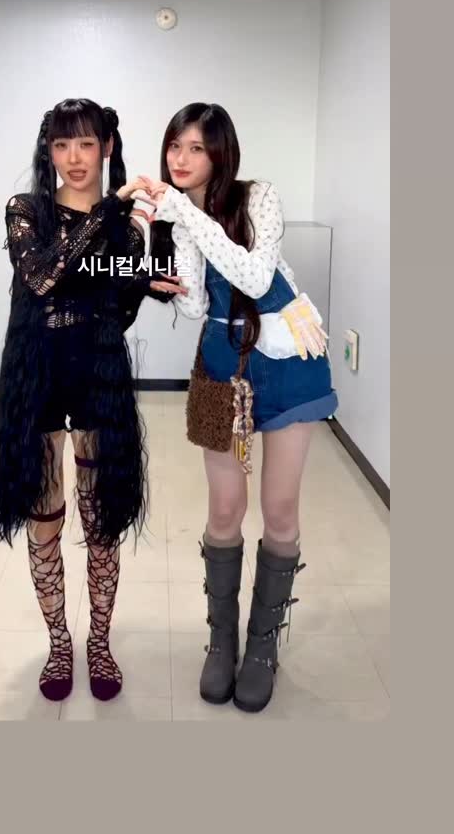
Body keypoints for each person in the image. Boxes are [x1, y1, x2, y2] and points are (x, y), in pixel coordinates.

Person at [0, 98, 184, 703]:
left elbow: (120, 310)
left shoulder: (124, 226)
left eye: (86, 144)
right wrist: (107, 211)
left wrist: (153, 248)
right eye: (61, 144)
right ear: (48, 151)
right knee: (44, 522)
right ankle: (59, 645)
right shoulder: (26, 211)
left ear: (107, 147)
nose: (74, 158)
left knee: (101, 522)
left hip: (98, 374)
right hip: (35, 378)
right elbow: (43, 277)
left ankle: (99, 641)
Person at [145, 102, 338, 713]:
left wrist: (184, 213)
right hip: (221, 365)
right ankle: (221, 641)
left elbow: (255, 277)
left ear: (220, 153)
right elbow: (199, 307)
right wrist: (166, 278)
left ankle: (261, 647)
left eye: (195, 148)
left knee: (279, 509)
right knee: (225, 508)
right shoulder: (180, 214)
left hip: (287, 364)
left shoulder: (260, 197)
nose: (180, 159)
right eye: (174, 146)